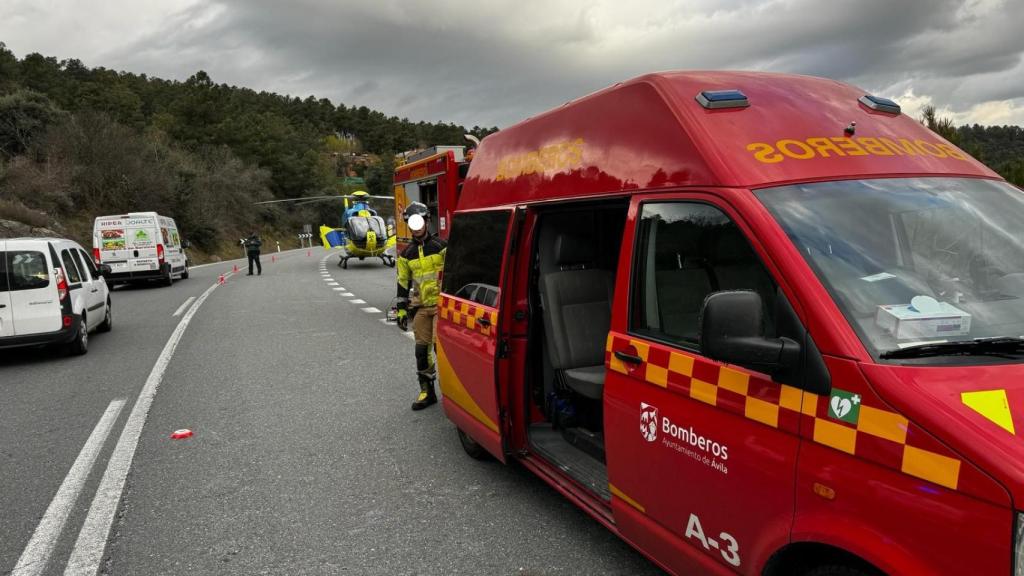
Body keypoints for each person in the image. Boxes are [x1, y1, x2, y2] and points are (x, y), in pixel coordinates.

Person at [395, 202, 446, 410]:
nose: (416, 227)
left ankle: (452, 393)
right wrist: (401, 310)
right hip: (421, 307)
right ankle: (427, 392)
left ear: (426, 221)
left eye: (419, 222)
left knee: (441, 349)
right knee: (421, 351)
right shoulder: (406, 254)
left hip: (442, 307)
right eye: (412, 224)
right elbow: (402, 282)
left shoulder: (441, 247)